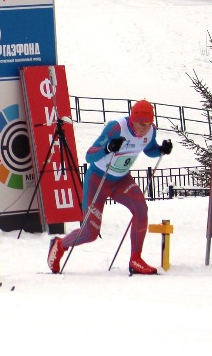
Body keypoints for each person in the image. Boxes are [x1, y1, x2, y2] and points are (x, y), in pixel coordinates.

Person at [47, 99, 170, 276]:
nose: (143, 128)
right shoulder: (116, 128)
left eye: (147, 124)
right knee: (90, 232)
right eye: (139, 124)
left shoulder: (151, 131)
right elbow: (89, 156)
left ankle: (136, 258)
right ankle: (60, 244)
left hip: (121, 180)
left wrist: (161, 150)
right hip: (98, 179)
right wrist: (107, 147)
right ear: (132, 119)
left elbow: (149, 149)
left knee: (141, 209)